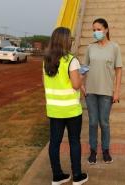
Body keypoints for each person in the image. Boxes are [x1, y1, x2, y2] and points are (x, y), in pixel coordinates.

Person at [43, 27, 88, 185]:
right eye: (70, 38)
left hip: (54, 109)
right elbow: (76, 85)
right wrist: (82, 75)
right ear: (65, 41)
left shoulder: (46, 60)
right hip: (71, 110)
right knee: (74, 141)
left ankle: (57, 176)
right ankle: (77, 176)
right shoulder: (71, 60)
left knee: (54, 142)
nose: (71, 41)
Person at [82, 18, 122, 164]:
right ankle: (93, 151)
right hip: (91, 92)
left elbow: (118, 70)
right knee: (92, 122)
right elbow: (84, 68)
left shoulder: (115, 47)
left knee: (104, 123)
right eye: (93, 30)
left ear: (106, 30)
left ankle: (105, 150)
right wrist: (82, 86)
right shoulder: (90, 48)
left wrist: (116, 91)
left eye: (98, 29)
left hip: (106, 92)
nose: (96, 32)